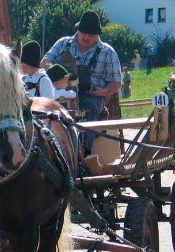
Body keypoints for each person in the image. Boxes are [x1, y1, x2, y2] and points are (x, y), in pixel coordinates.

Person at [41, 10, 121, 154]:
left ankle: (83, 153)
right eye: (83, 32)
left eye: (90, 34)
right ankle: (50, 148)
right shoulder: (63, 44)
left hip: (91, 95)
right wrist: (56, 71)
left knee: (88, 106)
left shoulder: (108, 52)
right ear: (78, 29)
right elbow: (44, 62)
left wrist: (101, 92)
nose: (85, 37)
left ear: (98, 34)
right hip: (62, 92)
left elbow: (115, 83)